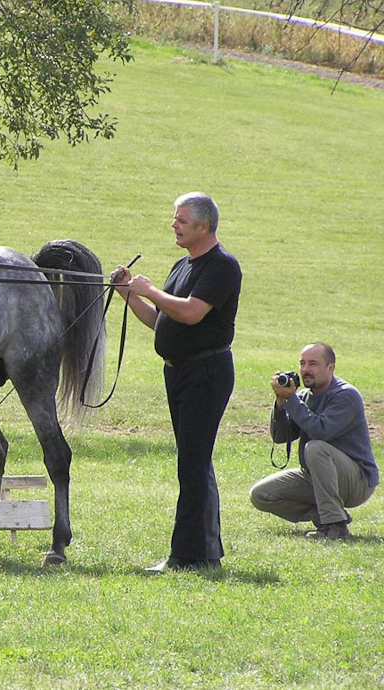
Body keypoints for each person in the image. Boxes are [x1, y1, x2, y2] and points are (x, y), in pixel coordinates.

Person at [111, 192, 241, 573]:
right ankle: (206, 552)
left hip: (206, 372)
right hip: (179, 371)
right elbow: (162, 321)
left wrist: (150, 290)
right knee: (194, 461)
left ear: (204, 226)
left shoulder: (222, 266)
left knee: (192, 463)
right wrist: (127, 294)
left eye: (182, 220)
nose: (174, 225)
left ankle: (185, 556)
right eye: (175, 218)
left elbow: (191, 313)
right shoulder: (181, 266)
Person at [250, 343, 378, 539]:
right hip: (316, 475)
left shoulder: (346, 395)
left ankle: (335, 526)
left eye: (313, 364)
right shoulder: (303, 397)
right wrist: (281, 403)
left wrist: (293, 401)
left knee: (316, 447)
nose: (305, 370)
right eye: (302, 363)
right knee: (261, 494)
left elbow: (321, 431)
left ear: (330, 367)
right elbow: (280, 437)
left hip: (357, 481)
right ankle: (328, 516)